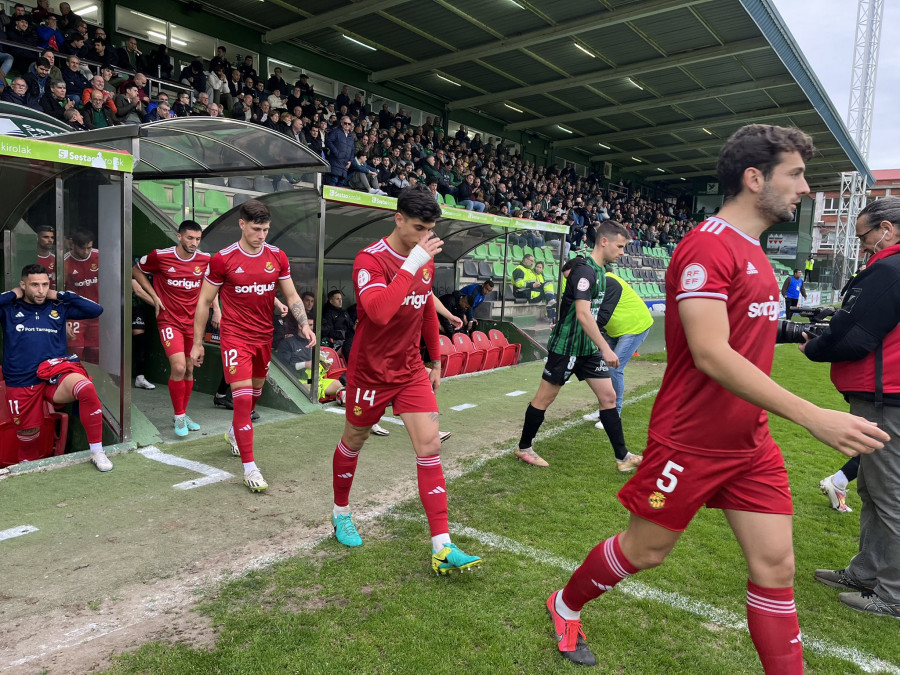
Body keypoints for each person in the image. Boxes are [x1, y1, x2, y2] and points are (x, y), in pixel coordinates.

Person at [545, 124, 889, 670]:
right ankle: (564, 604)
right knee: (646, 551)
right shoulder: (706, 247)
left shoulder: (753, 252)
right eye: (795, 174)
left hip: (750, 442)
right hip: (691, 439)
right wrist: (811, 416)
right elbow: (710, 352)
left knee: (776, 569)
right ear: (755, 178)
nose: (805, 188)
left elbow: (745, 337)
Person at [327, 184, 482, 575]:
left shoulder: (423, 257)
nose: (425, 237)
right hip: (369, 372)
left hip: (410, 369)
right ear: (397, 219)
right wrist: (412, 261)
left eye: (430, 230)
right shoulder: (370, 261)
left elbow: (426, 309)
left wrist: (436, 360)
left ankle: (442, 546)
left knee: (430, 445)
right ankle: (341, 512)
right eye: (418, 228)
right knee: (355, 438)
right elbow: (378, 313)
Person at [802, 196, 900, 619]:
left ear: (887, 229)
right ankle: (865, 573)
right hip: (884, 395)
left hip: (888, 398)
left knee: (889, 495)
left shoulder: (890, 270)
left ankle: (892, 594)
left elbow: (855, 335)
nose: (862, 246)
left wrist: (814, 345)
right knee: (873, 490)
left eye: (864, 236)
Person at [191, 200, 315, 492]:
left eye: (266, 229)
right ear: (242, 224)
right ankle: (250, 467)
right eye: (256, 229)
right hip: (235, 337)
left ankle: (235, 431)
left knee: (256, 393)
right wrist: (197, 342)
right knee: (243, 400)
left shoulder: (277, 256)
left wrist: (305, 323)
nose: (261, 235)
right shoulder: (222, 259)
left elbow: (293, 295)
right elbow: (205, 302)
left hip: (264, 337)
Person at [514, 221, 639, 470]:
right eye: (620, 246)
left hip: (587, 348)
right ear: (604, 241)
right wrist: (605, 347)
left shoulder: (602, 271)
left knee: (608, 397)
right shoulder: (585, 271)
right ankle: (524, 447)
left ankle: (623, 457)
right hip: (568, 346)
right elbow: (583, 314)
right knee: (544, 399)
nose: (622, 251)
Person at [0, 264, 111, 470]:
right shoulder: (9, 309)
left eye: (44, 284)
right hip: (21, 379)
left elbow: (96, 310)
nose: (41, 290)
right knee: (28, 434)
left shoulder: (58, 307)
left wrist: (58, 293)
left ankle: (97, 451)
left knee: (86, 388)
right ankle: (27, 465)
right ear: (23, 285)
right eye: (34, 285)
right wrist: (12, 295)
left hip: (55, 372)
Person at [134, 221, 216, 437]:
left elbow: (213, 285)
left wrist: (216, 308)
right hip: (169, 320)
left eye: (197, 239)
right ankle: (179, 416)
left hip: (194, 322)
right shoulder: (161, 256)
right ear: (179, 236)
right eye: (190, 238)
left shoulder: (205, 259)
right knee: (179, 367)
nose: (194, 243)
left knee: (189, 369)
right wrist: (153, 295)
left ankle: (182, 413)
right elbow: (136, 270)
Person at [582, 271, 653, 425]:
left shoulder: (609, 282)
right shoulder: (592, 285)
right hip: (613, 329)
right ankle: (604, 409)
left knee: (614, 368)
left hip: (634, 327)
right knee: (602, 368)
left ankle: (614, 413)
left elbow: (600, 316)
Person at [63, 230, 100, 363]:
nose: (85, 252)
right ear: (73, 244)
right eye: (82, 248)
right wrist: (64, 320)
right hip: (75, 315)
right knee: (75, 353)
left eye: (89, 248)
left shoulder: (100, 256)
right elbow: (59, 293)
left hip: (97, 314)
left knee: (96, 353)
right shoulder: (64, 262)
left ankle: (93, 382)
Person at [321, 289, 355, 360]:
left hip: (349, 339)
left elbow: (351, 325)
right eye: (337, 299)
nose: (340, 301)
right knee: (350, 349)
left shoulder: (344, 312)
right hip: (336, 343)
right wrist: (343, 334)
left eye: (341, 299)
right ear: (331, 301)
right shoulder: (327, 313)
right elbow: (328, 331)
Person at [326, 115, 354, 187]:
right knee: (334, 181)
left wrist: (350, 161)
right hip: (336, 161)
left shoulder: (351, 137)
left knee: (341, 184)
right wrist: (336, 153)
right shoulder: (336, 132)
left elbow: (352, 150)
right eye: (345, 123)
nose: (347, 125)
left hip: (345, 165)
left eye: (349, 124)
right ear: (341, 123)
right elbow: (328, 141)